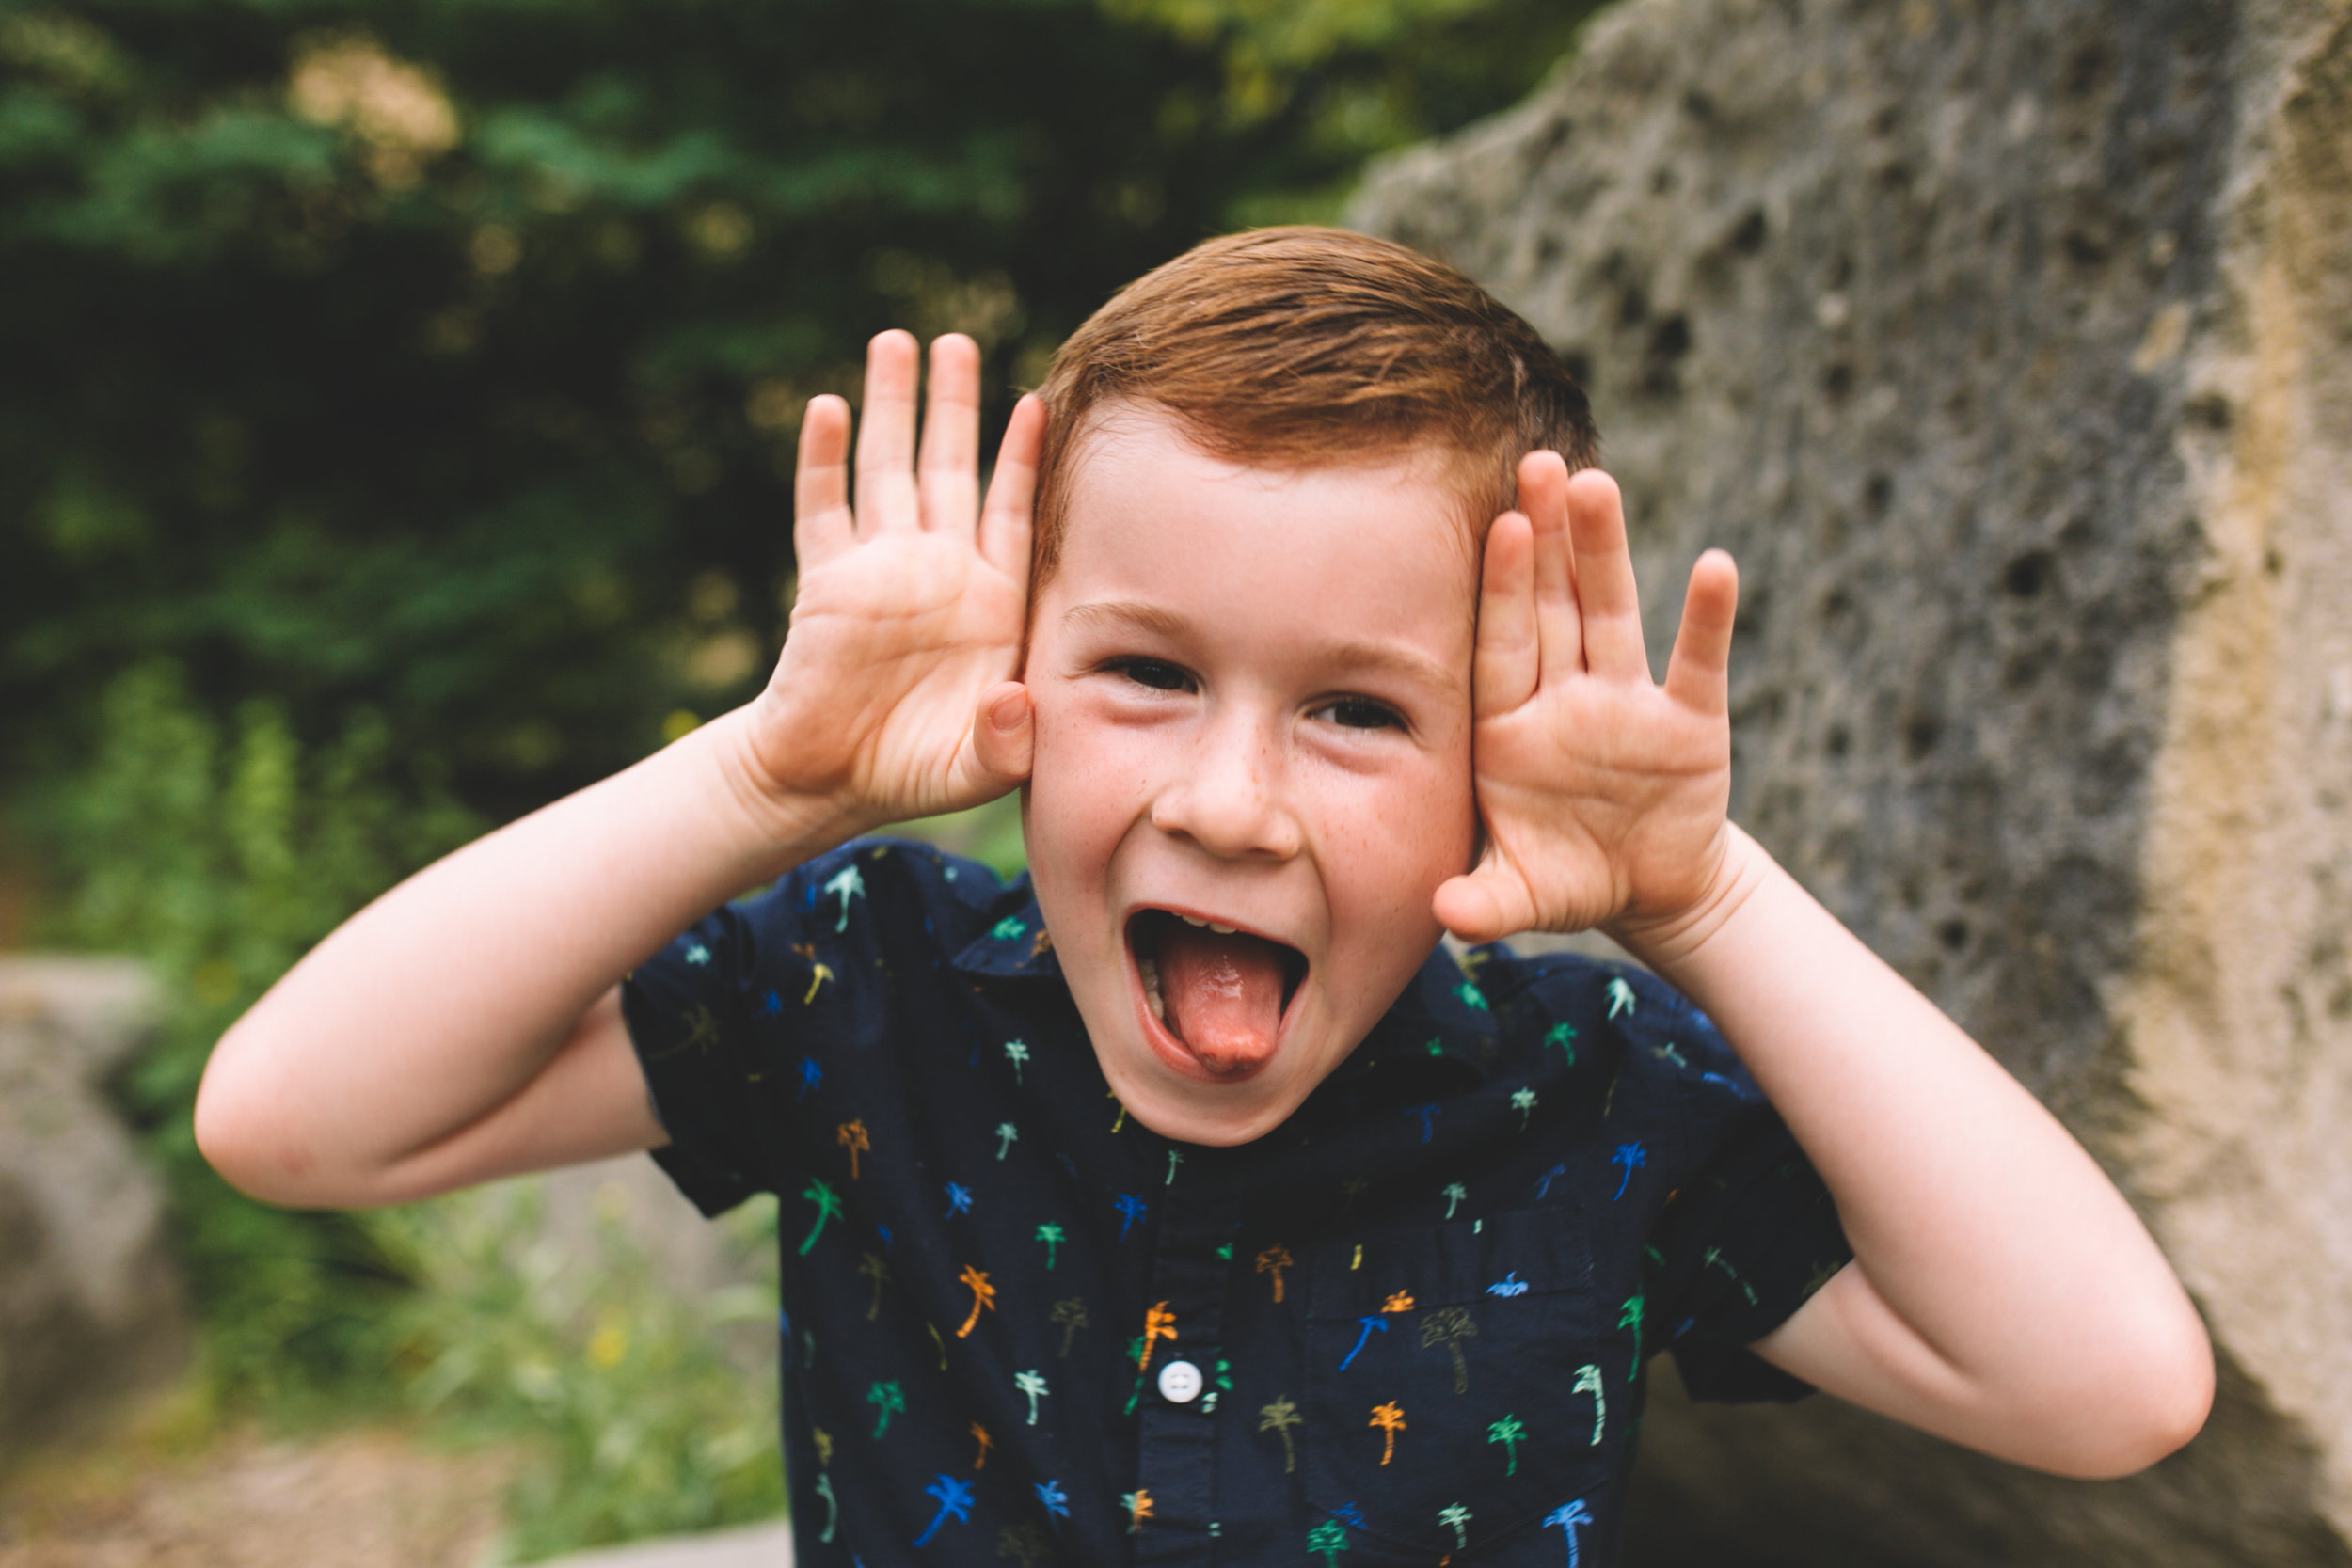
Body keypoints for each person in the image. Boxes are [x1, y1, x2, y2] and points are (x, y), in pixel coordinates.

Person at [196, 228, 2212, 1566]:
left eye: (1353, 710)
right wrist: (762, 775)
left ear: (1492, 749)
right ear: (1025, 681)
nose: (1230, 803)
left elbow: (2105, 1386)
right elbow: (293, 1118)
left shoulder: (1594, 1096)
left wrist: (1697, 898)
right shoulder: (865, 983)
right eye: (1146, 674)